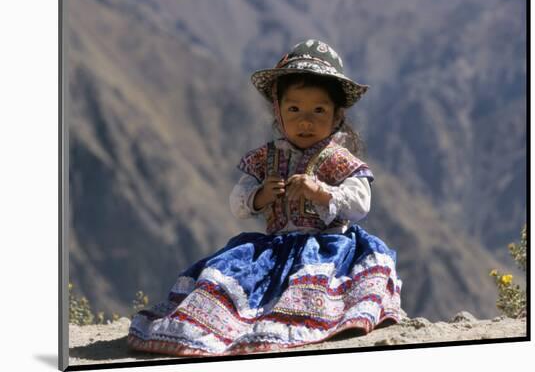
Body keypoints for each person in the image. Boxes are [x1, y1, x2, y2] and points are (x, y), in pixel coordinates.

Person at [127, 39, 402, 357]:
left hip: (328, 248)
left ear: (337, 116)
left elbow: (360, 203)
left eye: (318, 110)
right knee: (225, 288)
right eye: (294, 109)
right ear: (278, 110)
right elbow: (238, 202)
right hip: (274, 250)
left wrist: (322, 193)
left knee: (312, 296)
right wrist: (259, 197)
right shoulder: (265, 159)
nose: (305, 121)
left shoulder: (339, 160)